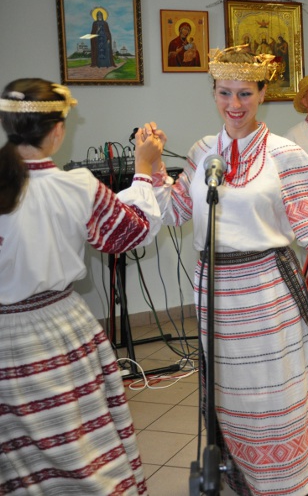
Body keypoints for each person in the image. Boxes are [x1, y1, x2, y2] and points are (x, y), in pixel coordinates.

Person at [150, 46, 308, 496]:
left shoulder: (285, 153)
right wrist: (151, 165)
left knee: (280, 395)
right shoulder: (201, 153)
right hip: (216, 294)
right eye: (225, 93)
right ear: (213, 93)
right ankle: (248, 479)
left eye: (245, 93)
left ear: (263, 93)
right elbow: (173, 211)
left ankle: (297, 482)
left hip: (269, 290)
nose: (235, 105)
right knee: (233, 398)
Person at [0, 79, 164, 494]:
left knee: (16, 455)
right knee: (77, 445)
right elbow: (131, 232)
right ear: (57, 130)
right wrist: (144, 171)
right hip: (55, 331)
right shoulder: (76, 187)